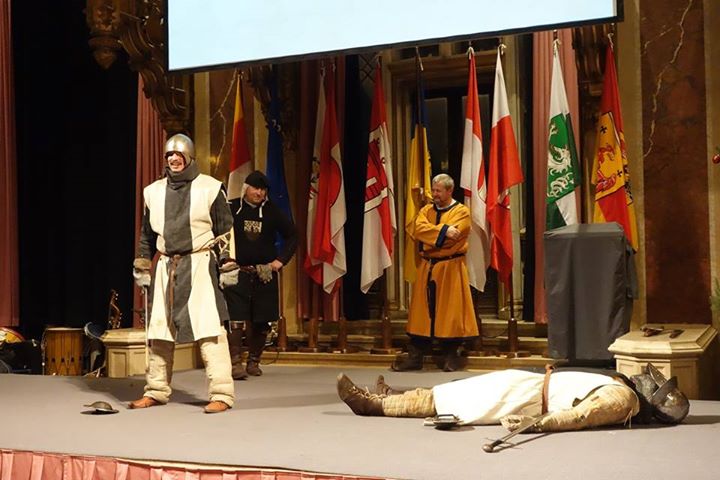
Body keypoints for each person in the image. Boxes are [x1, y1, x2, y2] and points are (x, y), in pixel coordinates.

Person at [130, 133, 237, 414]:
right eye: (169, 155)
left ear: (189, 157)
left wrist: (227, 263)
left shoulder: (210, 188)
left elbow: (224, 229)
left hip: (199, 264)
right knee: (159, 331)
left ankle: (222, 393)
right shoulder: (153, 192)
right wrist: (143, 263)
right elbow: (146, 234)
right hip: (166, 267)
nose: (174, 160)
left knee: (210, 329)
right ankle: (155, 390)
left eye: (179, 155)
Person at [336, 363, 690, 432]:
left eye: (653, 383)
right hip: (530, 384)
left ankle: (371, 405)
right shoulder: (621, 385)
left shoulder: (623, 399)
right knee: (452, 391)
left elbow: (579, 417)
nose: (647, 378)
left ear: (652, 398)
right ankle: (384, 397)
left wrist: (535, 424)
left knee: (450, 401)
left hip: (530, 398)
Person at [393, 173, 477, 372]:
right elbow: (418, 229)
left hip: (450, 268)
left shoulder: (462, 212)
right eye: (434, 190)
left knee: (450, 314)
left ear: (450, 191)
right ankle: (415, 357)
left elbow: (453, 239)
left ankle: (450, 357)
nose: (435, 194)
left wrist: (434, 236)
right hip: (427, 267)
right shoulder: (426, 210)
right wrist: (444, 230)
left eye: (439, 191)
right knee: (421, 315)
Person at [223, 170, 297, 378]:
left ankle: (254, 361)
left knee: (262, 320)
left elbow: (293, 235)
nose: (260, 193)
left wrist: (280, 261)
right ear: (246, 188)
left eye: (263, 189)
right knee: (235, 320)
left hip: (264, 274)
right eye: (256, 188)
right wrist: (224, 259)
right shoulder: (231, 208)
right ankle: (234, 362)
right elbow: (218, 233)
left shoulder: (272, 211)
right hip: (237, 273)